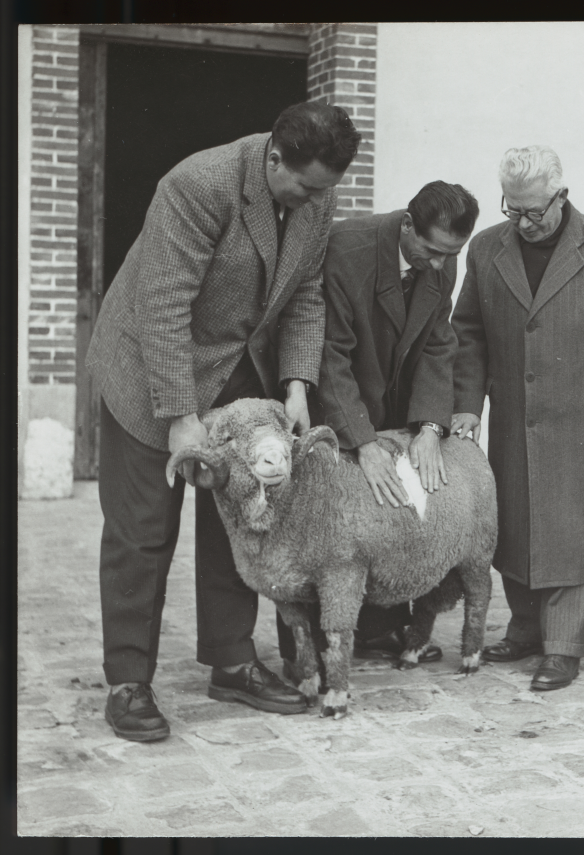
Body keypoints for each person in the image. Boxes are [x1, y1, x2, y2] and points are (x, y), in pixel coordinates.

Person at [85, 101, 361, 742]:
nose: (317, 200)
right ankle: (129, 682)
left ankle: (232, 661)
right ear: (273, 158)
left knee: (241, 517)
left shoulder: (314, 196)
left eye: (326, 190)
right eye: (307, 186)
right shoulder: (197, 185)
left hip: (236, 367)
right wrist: (181, 419)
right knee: (143, 529)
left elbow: (307, 293)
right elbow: (162, 305)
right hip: (149, 365)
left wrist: (295, 385)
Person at [451, 145, 584, 691]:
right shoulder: (487, 248)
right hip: (515, 414)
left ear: (561, 196)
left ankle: (563, 646)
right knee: (513, 526)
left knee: (571, 531)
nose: (524, 223)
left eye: (535, 211)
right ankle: (525, 627)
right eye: (512, 210)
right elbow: (467, 334)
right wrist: (467, 407)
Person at [275, 180, 480, 673]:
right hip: (340, 403)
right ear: (407, 225)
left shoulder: (440, 254)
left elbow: (437, 343)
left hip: (393, 401)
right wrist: (362, 442)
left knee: (384, 512)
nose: (438, 265)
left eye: (449, 255)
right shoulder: (348, 250)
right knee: (324, 528)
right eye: (431, 251)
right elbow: (332, 357)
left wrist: (431, 425)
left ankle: (378, 629)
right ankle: (306, 651)